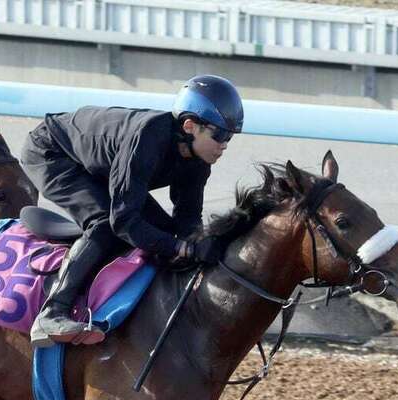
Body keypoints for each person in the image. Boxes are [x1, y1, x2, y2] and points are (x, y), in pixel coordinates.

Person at [20, 75, 244, 348]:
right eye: (219, 134)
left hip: (99, 165)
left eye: (229, 136)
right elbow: (124, 222)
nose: (224, 144)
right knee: (104, 222)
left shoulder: (199, 159)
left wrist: (200, 244)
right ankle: (52, 312)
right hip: (52, 153)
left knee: (166, 234)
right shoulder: (148, 138)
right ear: (189, 125)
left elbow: (186, 221)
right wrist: (182, 248)